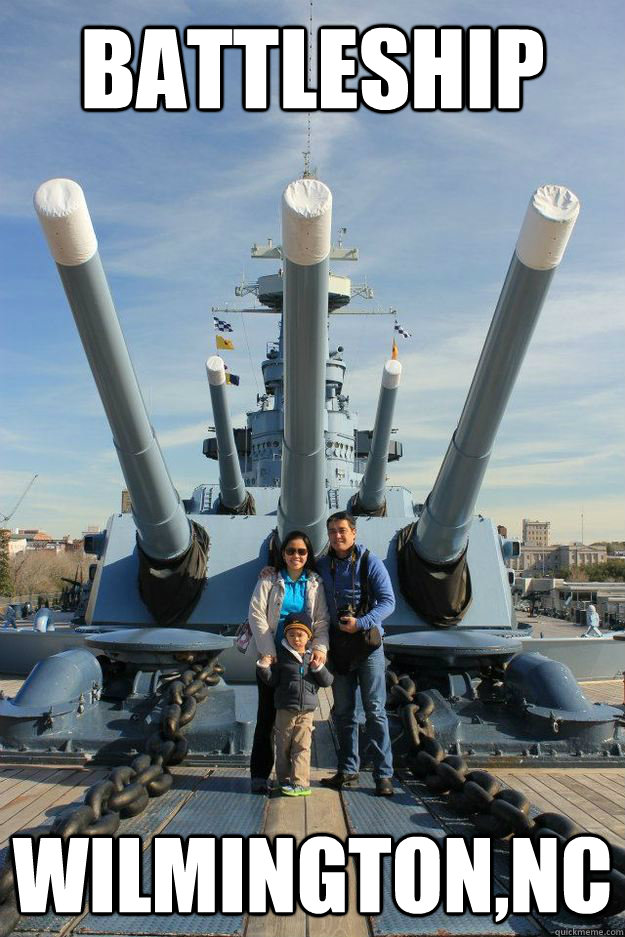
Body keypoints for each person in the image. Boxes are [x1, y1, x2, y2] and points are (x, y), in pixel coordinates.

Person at [318, 511, 396, 796]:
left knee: (375, 711)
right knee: (344, 712)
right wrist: (269, 569)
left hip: (367, 646)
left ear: (353, 532)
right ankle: (348, 770)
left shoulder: (369, 562)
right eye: (332, 531)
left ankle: (383, 774)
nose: (337, 536)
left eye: (342, 530)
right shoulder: (323, 566)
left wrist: (361, 623)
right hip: (339, 648)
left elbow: (388, 602)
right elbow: (298, 575)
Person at [247, 530, 330, 794]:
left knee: (298, 719)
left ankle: (293, 779)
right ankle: (260, 775)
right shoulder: (270, 578)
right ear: (282, 554)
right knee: (266, 716)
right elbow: (256, 614)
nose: (296, 555)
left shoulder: (315, 582)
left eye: (302, 551)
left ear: (308, 555)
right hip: (272, 655)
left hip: (302, 657)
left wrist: (319, 648)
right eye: (291, 551)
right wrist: (268, 653)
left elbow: (321, 619)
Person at [257, 611, 333, 796]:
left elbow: (327, 681)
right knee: (282, 746)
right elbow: (272, 681)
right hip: (285, 709)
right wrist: (263, 667)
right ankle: (283, 780)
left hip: (306, 711)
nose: (296, 639)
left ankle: (300, 783)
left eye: (300, 634)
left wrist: (319, 668)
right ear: (286, 636)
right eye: (291, 634)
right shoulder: (282, 658)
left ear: (308, 636)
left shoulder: (311, 657)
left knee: (302, 747)